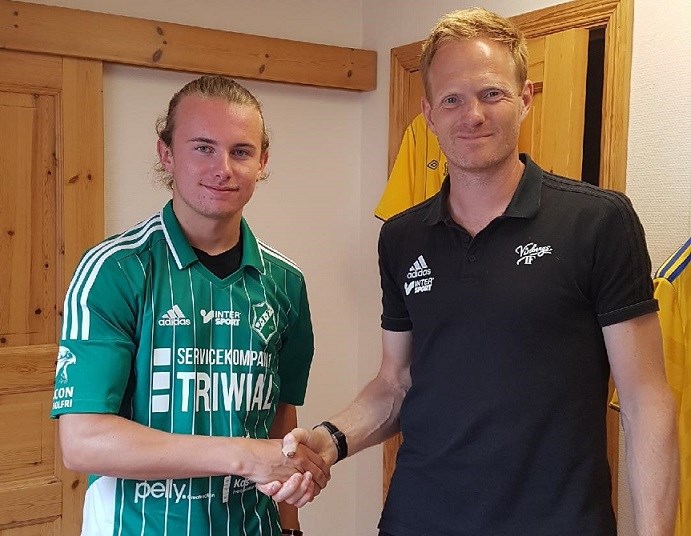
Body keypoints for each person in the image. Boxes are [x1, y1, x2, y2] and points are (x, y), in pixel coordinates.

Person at [261, 8, 679, 536]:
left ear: (525, 98)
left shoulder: (597, 222)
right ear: (429, 113)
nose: (472, 115)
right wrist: (329, 439)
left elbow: (646, 401)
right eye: (452, 99)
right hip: (418, 519)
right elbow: (396, 382)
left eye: (492, 93)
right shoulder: (403, 237)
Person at [51, 75, 327, 535]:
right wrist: (243, 455)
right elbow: (83, 442)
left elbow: (280, 418)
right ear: (167, 154)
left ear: (262, 161)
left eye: (241, 151)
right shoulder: (115, 271)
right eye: (203, 148)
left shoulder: (286, 282)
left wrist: (290, 526)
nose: (223, 168)